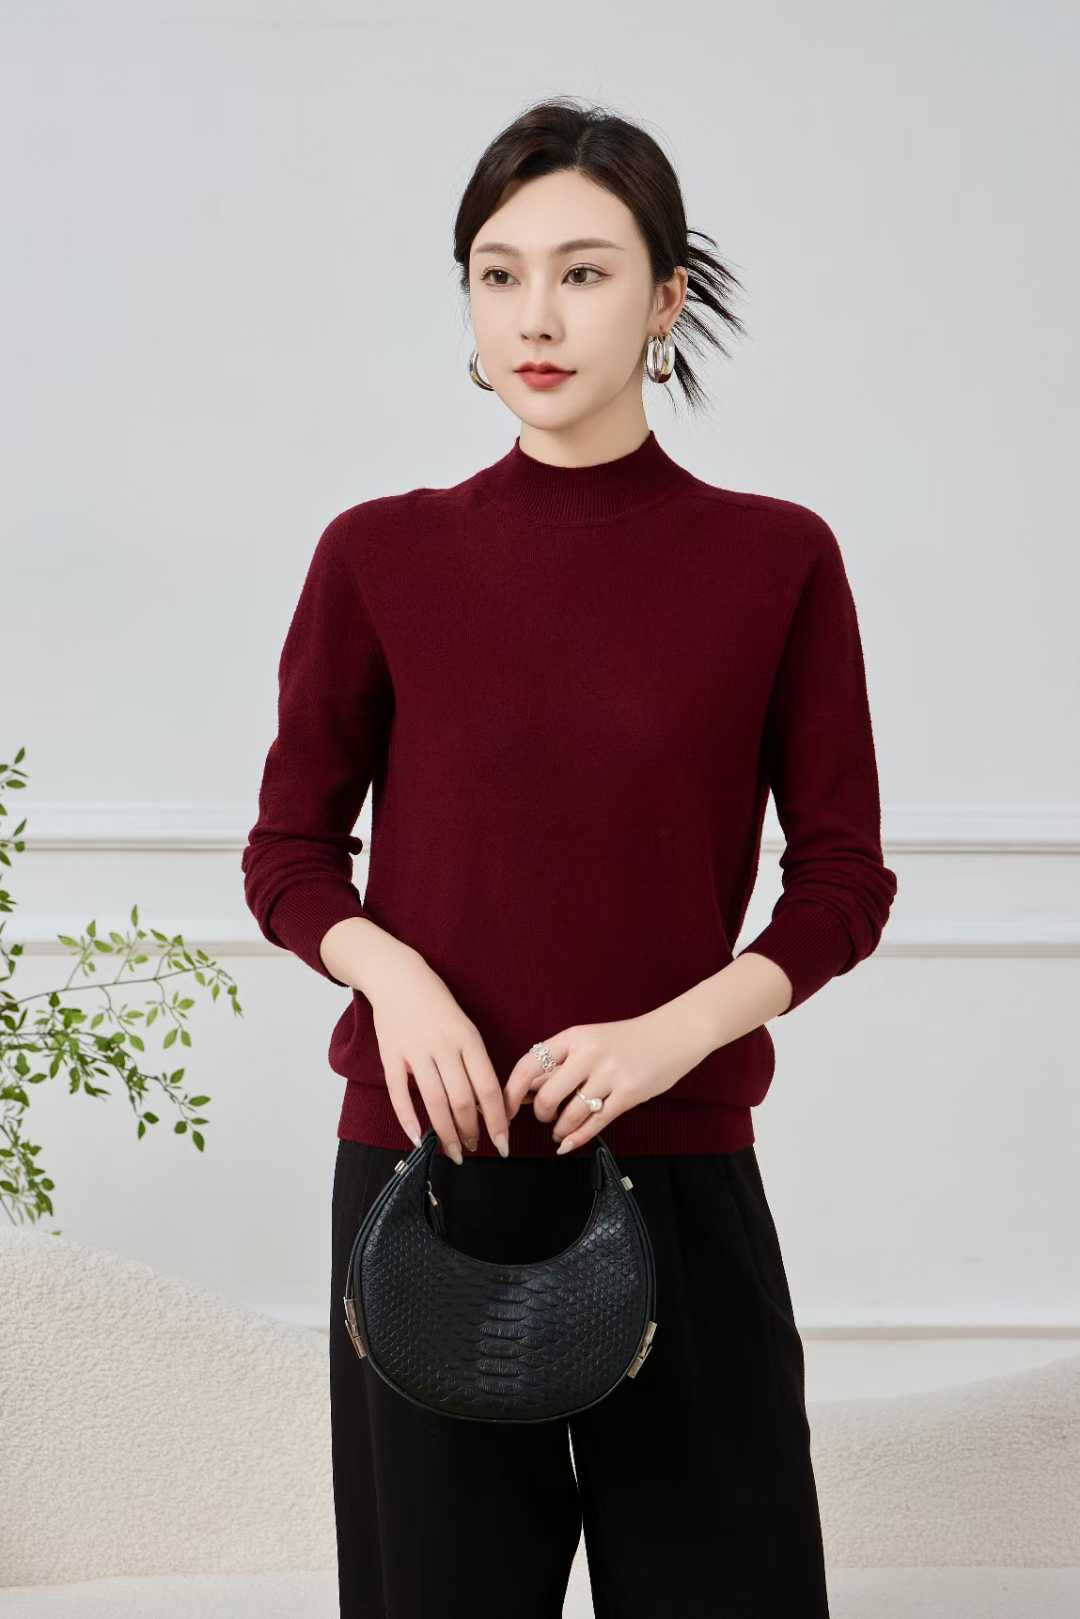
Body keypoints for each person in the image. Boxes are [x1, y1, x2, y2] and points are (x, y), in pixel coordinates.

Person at [242, 95, 898, 1619]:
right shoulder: (380, 554)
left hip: (679, 1176)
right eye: (500, 273)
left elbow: (844, 880)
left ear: (667, 300)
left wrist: (676, 1033)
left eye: (586, 272)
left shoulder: (776, 558)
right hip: (426, 1177)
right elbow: (289, 852)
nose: (535, 315)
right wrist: (394, 979)